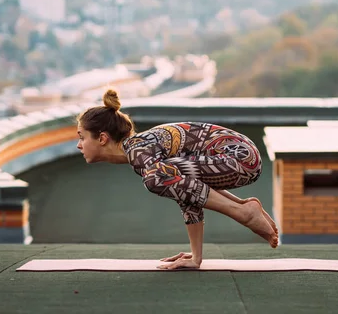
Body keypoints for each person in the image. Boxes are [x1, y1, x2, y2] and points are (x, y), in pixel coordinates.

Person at [76, 89, 279, 270]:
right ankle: (242, 208)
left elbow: (175, 183)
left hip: (240, 157)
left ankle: (243, 213)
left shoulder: (139, 151)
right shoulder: (142, 153)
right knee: (167, 178)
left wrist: (239, 210)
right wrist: (195, 258)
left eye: (82, 137)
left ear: (102, 138)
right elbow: (188, 194)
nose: (79, 145)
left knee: (156, 178)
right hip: (243, 158)